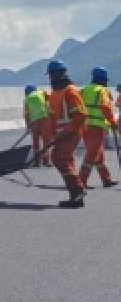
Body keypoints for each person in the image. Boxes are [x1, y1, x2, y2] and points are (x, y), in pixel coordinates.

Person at [46, 60, 88, 208]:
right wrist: (53, 135)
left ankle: (77, 190)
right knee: (63, 159)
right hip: (61, 135)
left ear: (58, 74)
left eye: (51, 75)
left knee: (60, 158)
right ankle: (76, 195)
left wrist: (68, 130)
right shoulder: (55, 94)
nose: (50, 78)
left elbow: (81, 114)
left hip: (70, 133)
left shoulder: (70, 91)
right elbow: (52, 117)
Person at [79, 66, 118, 189]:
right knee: (92, 154)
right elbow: (106, 107)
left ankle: (106, 179)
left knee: (98, 154)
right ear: (103, 79)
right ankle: (81, 180)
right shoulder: (101, 90)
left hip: (84, 126)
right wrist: (112, 122)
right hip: (97, 126)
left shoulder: (84, 90)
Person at [23, 85, 52, 167]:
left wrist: (28, 126)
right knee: (46, 142)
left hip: (34, 122)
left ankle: (37, 161)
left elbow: (26, 114)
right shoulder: (42, 93)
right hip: (45, 119)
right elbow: (51, 98)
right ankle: (46, 161)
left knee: (36, 143)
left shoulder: (27, 99)